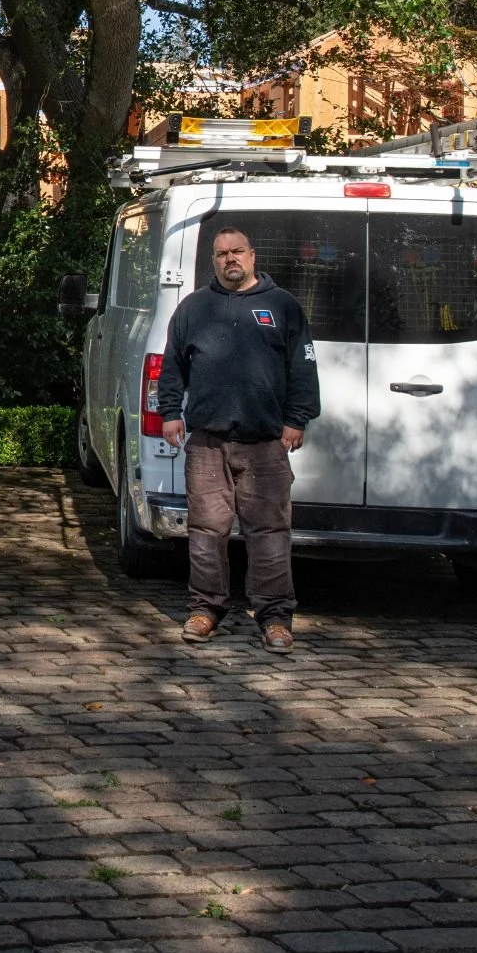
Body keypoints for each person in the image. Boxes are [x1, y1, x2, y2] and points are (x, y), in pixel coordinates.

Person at [156, 226, 320, 653]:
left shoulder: (282, 306)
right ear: (213, 261)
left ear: (252, 256)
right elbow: (172, 365)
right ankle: (206, 609)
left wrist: (296, 419)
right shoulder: (194, 308)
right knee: (206, 531)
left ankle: (275, 618)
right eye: (221, 253)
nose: (230, 259)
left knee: (269, 533)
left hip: (265, 442)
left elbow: (303, 369)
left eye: (237, 252)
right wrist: (170, 413)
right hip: (207, 442)